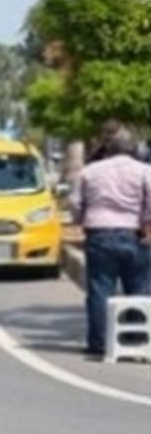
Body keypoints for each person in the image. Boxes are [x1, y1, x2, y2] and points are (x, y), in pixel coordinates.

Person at [69, 126, 151, 356]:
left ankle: (99, 343)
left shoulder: (90, 171)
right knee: (139, 289)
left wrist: (81, 219)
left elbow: (74, 203)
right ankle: (137, 341)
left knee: (99, 289)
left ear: (109, 149)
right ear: (134, 150)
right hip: (135, 235)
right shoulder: (144, 171)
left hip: (99, 234)